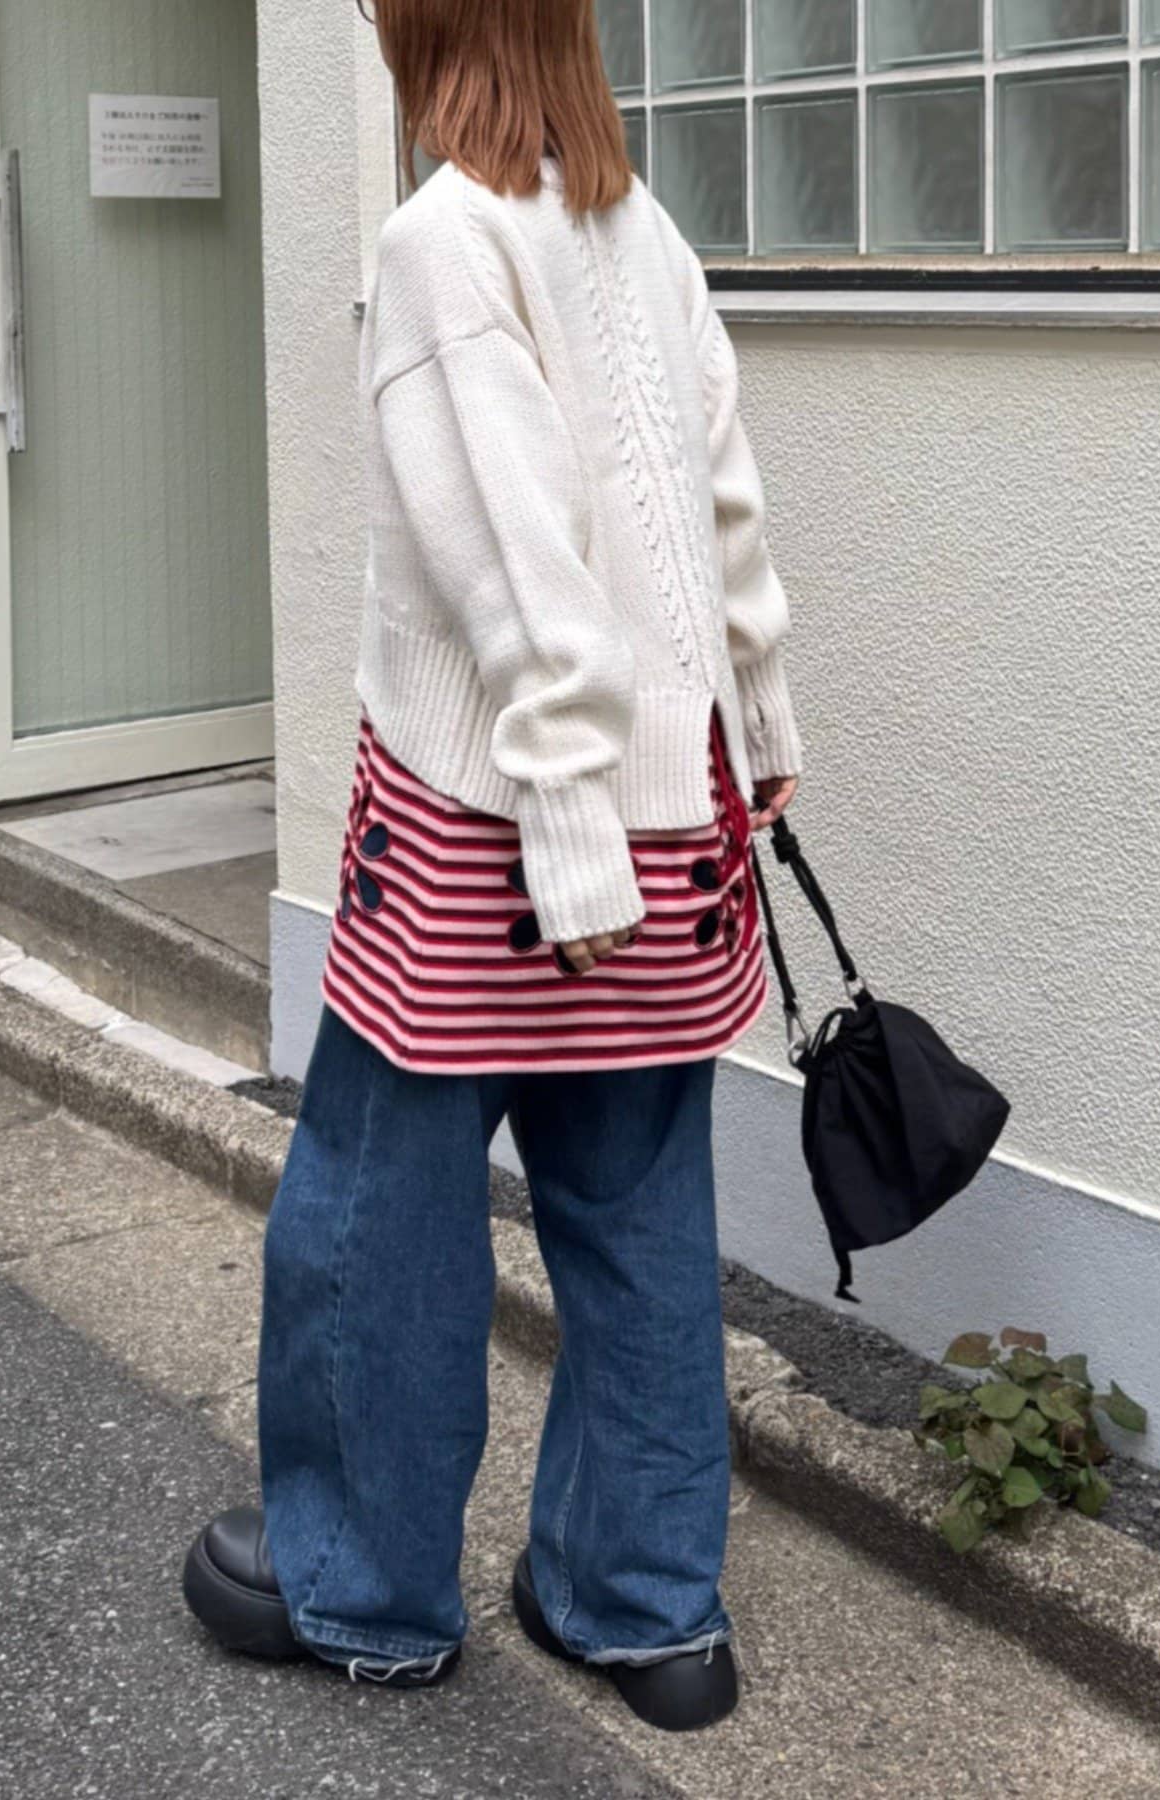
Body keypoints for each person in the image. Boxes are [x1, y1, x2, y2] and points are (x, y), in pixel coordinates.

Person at [183, 0, 802, 1735]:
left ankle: (363, 1585)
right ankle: (646, 1608)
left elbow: (519, 563)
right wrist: (755, 713)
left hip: (495, 824)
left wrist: (569, 821)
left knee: (376, 1210)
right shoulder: (641, 227)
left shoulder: (442, 239)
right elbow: (723, 509)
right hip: (676, 811)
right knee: (640, 1212)